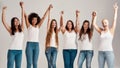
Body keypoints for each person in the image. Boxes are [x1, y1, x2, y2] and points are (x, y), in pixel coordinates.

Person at [24, 3, 53, 68]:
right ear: (31, 20)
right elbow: (25, 16)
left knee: (35, 63)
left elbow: (43, 17)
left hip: (36, 45)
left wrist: (48, 9)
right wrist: (22, 7)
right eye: (33, 19)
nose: (34, 20)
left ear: (37, 20)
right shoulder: (29, 26)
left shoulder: (38, 26)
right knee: (29, 63)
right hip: (29, 45)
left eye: (36, 19)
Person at [93, 3, 118, 68]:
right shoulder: (101, 31)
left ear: (108, 23)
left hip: (109, 52)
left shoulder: (111, 30)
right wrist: (95, 16)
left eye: (106, 22)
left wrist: (116, 10)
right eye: (103, 23)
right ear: (102, 24)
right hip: (100, 53)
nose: (104, 24)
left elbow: (114, 20)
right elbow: (94, 24)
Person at [2, 2, 25, 68]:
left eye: (17, 20)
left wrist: (22, 7)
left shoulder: (22, 29)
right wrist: (3, 11)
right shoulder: (11, 30)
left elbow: (22, 17)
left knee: (18, 67)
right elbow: (4, 22)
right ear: (13, 23)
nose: (17, 21)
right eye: (15, 21)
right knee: (10, 66)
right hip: (11, 51)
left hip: (19, 52)